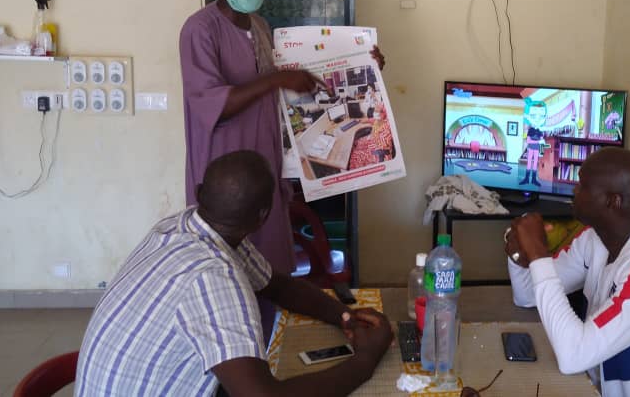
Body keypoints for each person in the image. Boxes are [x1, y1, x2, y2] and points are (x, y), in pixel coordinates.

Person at [180, 0, 384, 343]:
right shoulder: (199, 29)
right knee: (226, 279)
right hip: (225, 177)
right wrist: (276, 79)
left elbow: (303, 82)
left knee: (269, 273)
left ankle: (267, 349)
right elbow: (213, 104)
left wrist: (365, 65)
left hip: (266, 168)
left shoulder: (260, 27)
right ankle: (232, 359)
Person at [76, 150, 393, 396]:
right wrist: (364, 361)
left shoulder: (184, 227)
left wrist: (344, 316)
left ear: (199, 192)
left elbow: (278, 286)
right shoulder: (214, 278)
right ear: (263, 217)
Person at [504, 148, 630, 397]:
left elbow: (573, 356)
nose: (574, 190)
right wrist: (519, 254)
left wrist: (538, 254)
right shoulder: (596, 238)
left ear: (613, 201)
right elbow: (527, 295)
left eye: (583, 185)